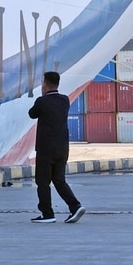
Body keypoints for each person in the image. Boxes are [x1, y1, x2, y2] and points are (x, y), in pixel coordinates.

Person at [28, 71, 86, 224]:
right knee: (59, 180)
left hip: (46, 149)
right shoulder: (64, 100)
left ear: (45, 84)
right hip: (62, 148)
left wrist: (42, 95)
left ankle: (47, 214)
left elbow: (32, 114)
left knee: (42, 182)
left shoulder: (42, 101)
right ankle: (75, 206)